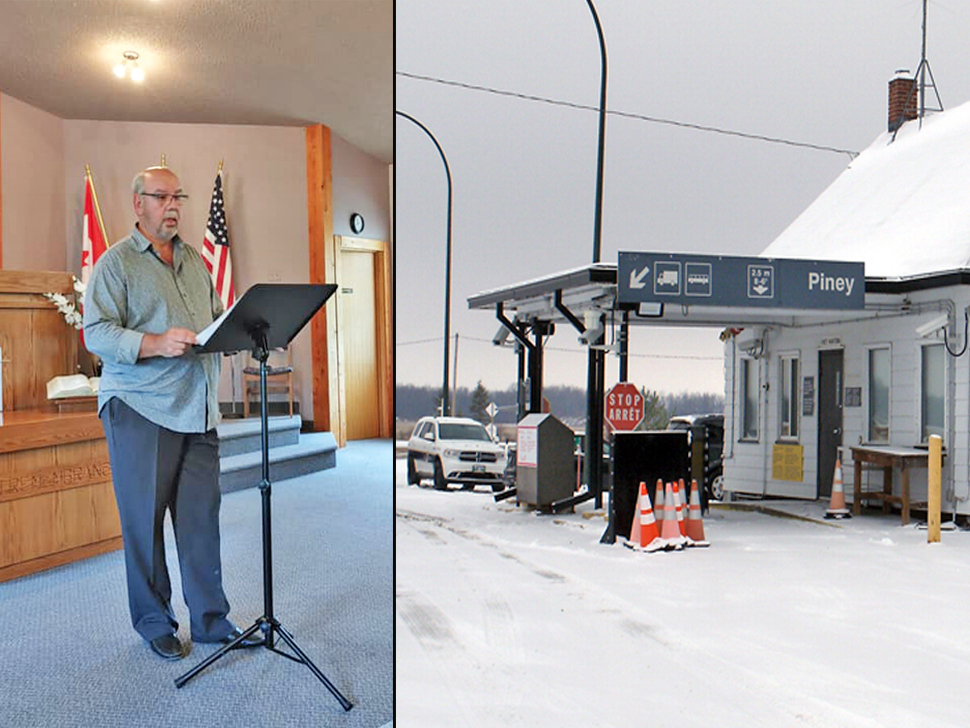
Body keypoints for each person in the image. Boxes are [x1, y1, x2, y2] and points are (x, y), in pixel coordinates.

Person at [83, 166, 257, 660]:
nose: (172, 204)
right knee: (144, 521)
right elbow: (95, 332)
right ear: (137, 204)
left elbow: (217, 314)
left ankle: (210, 621)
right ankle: (155, 622)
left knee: (201, 519)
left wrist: (239, 327)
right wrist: (155, 343)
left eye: (177, 195)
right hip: (141, 407)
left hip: (197, 410)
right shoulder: (116, 265)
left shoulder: (198, 262)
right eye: (160, 196)